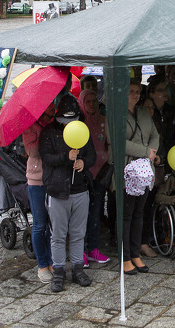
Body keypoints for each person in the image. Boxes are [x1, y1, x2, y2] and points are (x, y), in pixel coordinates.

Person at [39, 94, 96, 292]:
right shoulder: (48, 133)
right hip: (57, 191)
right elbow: (46, 157)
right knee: (58, 234)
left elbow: (92, 155)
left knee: (79, 233)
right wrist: (66, 156)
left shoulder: (83, 130)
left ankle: (78, 268)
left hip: (80, 190)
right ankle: (59, 271)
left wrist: (83, 162)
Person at [123, 79, 161, 274]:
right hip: (128, 170)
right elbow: (119, 142)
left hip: (145, 171)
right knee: (127, 215)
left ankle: (136, 253)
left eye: (138, 91)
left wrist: (152, 150)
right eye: (131, 91)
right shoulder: (117, 114)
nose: (135, 95)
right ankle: (125, 256)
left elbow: (155, 134)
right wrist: (146, 151)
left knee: (139, 213)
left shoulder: (144, 113)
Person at [23, 99, 56, 282]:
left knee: (53, 225)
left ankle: (52, 261)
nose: (52, 105)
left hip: (53, 178)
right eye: (49, 103)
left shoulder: (53, 124)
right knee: (39, 224)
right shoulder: (30, 127)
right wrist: (46, 136)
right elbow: (33, 151)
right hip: (36, 180)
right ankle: (42, 265)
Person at [78, 88, 110, 265]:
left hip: (101, 172)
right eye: (87, 101)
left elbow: (107, 143)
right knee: (82, 214)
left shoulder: (103, 121)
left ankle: (93, 248)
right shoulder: (78, 124)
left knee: (96, 211)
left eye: (94, 101)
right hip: (84, 175)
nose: (91, 105)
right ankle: (80, 250)